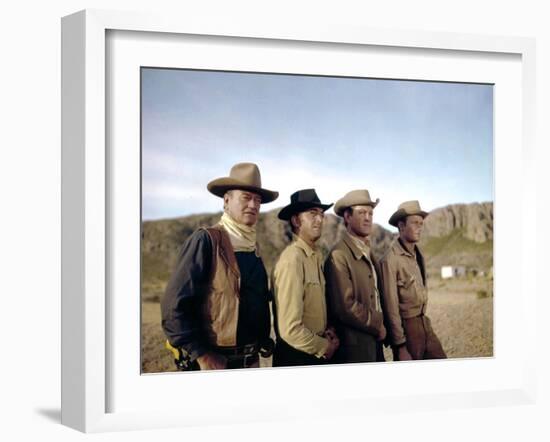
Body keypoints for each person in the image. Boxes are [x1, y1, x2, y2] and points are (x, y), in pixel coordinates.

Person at [161, 162, 279, 370]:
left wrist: (263, 340)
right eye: (246, 197)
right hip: (216, 363)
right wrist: (202, 355)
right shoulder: (206, 241)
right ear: (226, 200)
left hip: (250, 361)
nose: (253, 205)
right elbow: (173, 308)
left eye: (258, 200)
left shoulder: (253, 247)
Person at [271, 189, 340, 367]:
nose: (320, 219)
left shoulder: (314, 257)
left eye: (321, 214)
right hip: (296, 359)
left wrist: (329, 331)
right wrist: (324, 347)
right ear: (295, 220)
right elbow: (290, 329)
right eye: (312, 214)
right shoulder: (292, 260)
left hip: (312, 355)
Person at [324, 189, 386, 363]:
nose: (368, 218)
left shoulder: (368, 252)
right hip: (354, 349)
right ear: (347, 217)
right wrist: (378, 324)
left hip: (373, 343)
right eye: (361, 213)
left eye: (370, 213)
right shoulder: (339, 255)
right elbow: (345, 307)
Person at [380, 200, 447, 361]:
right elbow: (390, 306)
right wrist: (400, 345)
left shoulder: (418, 254)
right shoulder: (390, 260)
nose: (419, 227)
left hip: (424, 321)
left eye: (421, 223)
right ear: (401, 226)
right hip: (407, 329)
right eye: (414, 223)